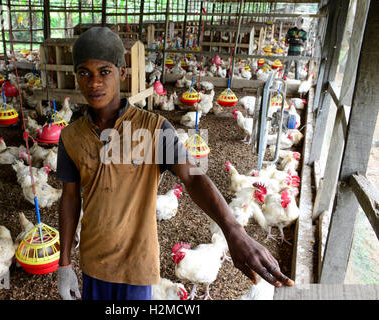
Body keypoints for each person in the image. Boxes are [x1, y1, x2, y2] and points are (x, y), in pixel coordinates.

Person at [56, 27, 294, 301]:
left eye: (104, 71)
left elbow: (193, 178)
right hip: (93, 263)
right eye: (84, 73)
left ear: (122, 73)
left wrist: (234, 231)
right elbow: (70, 199)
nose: (94, 82)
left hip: (137, 267)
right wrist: (64, 264)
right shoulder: (71, 137)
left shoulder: (154, 128)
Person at [283, 16, 307, 80]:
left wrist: (300, 42)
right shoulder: (291, 30)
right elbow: (286, 39)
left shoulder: (304, 33)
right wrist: (290, 41)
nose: (299, 23)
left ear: (302, 23)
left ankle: (296, 80)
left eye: (301, 22)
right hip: (290, 50)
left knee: (297, 68)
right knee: (287, 67)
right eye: (298, 22)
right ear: (296, 22)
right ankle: (284, 79)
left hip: (298, 52)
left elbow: (304, 43)